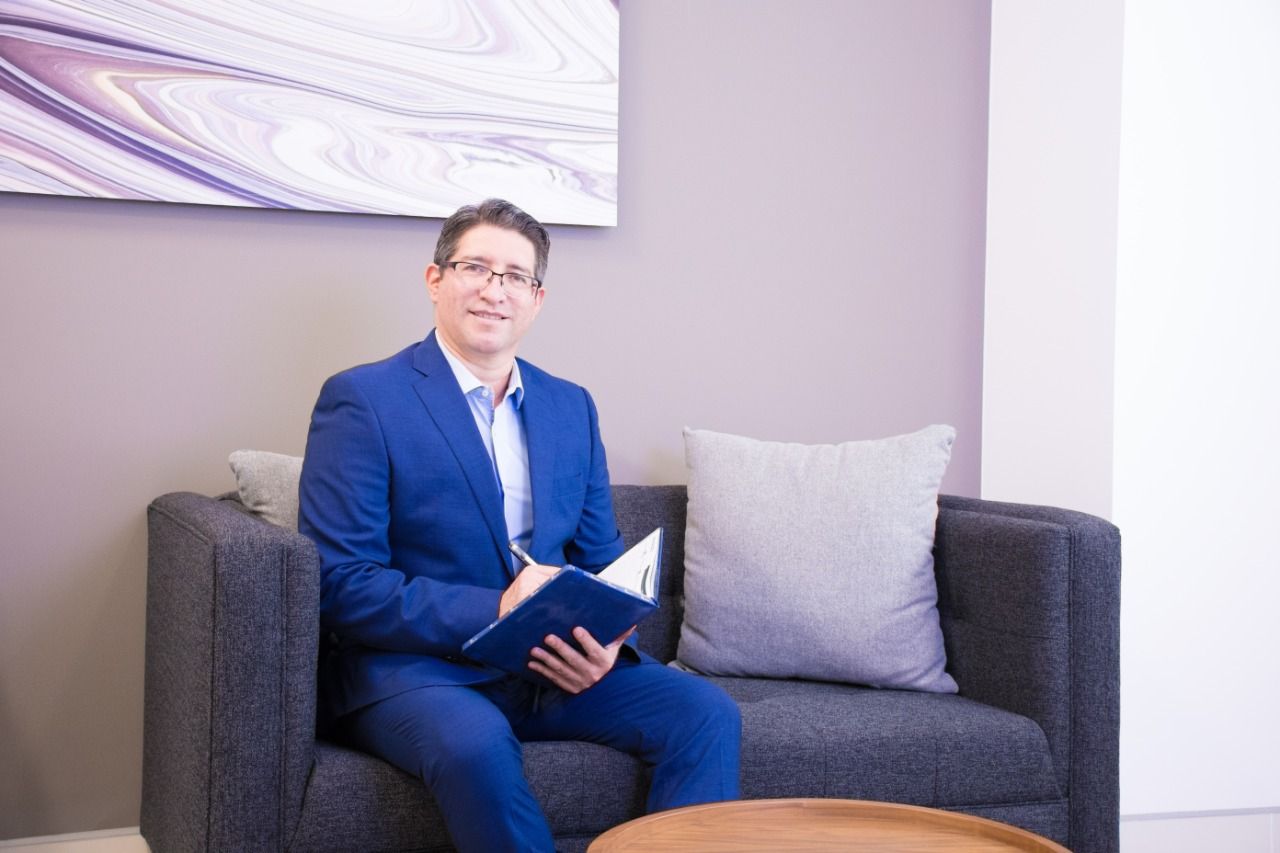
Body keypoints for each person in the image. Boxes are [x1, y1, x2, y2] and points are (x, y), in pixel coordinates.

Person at [298, 199, 741, 852]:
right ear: (435, 280)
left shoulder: (570, 406)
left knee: (705, 712)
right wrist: (499, 607)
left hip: (550, 668)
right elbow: (342, 582)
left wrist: (606, 641)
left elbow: (603, 560)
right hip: (419, 672)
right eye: (475, 267)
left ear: (536, 299)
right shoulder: (364, 399)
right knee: (475, 743)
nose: (493, 289)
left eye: (514, 276)